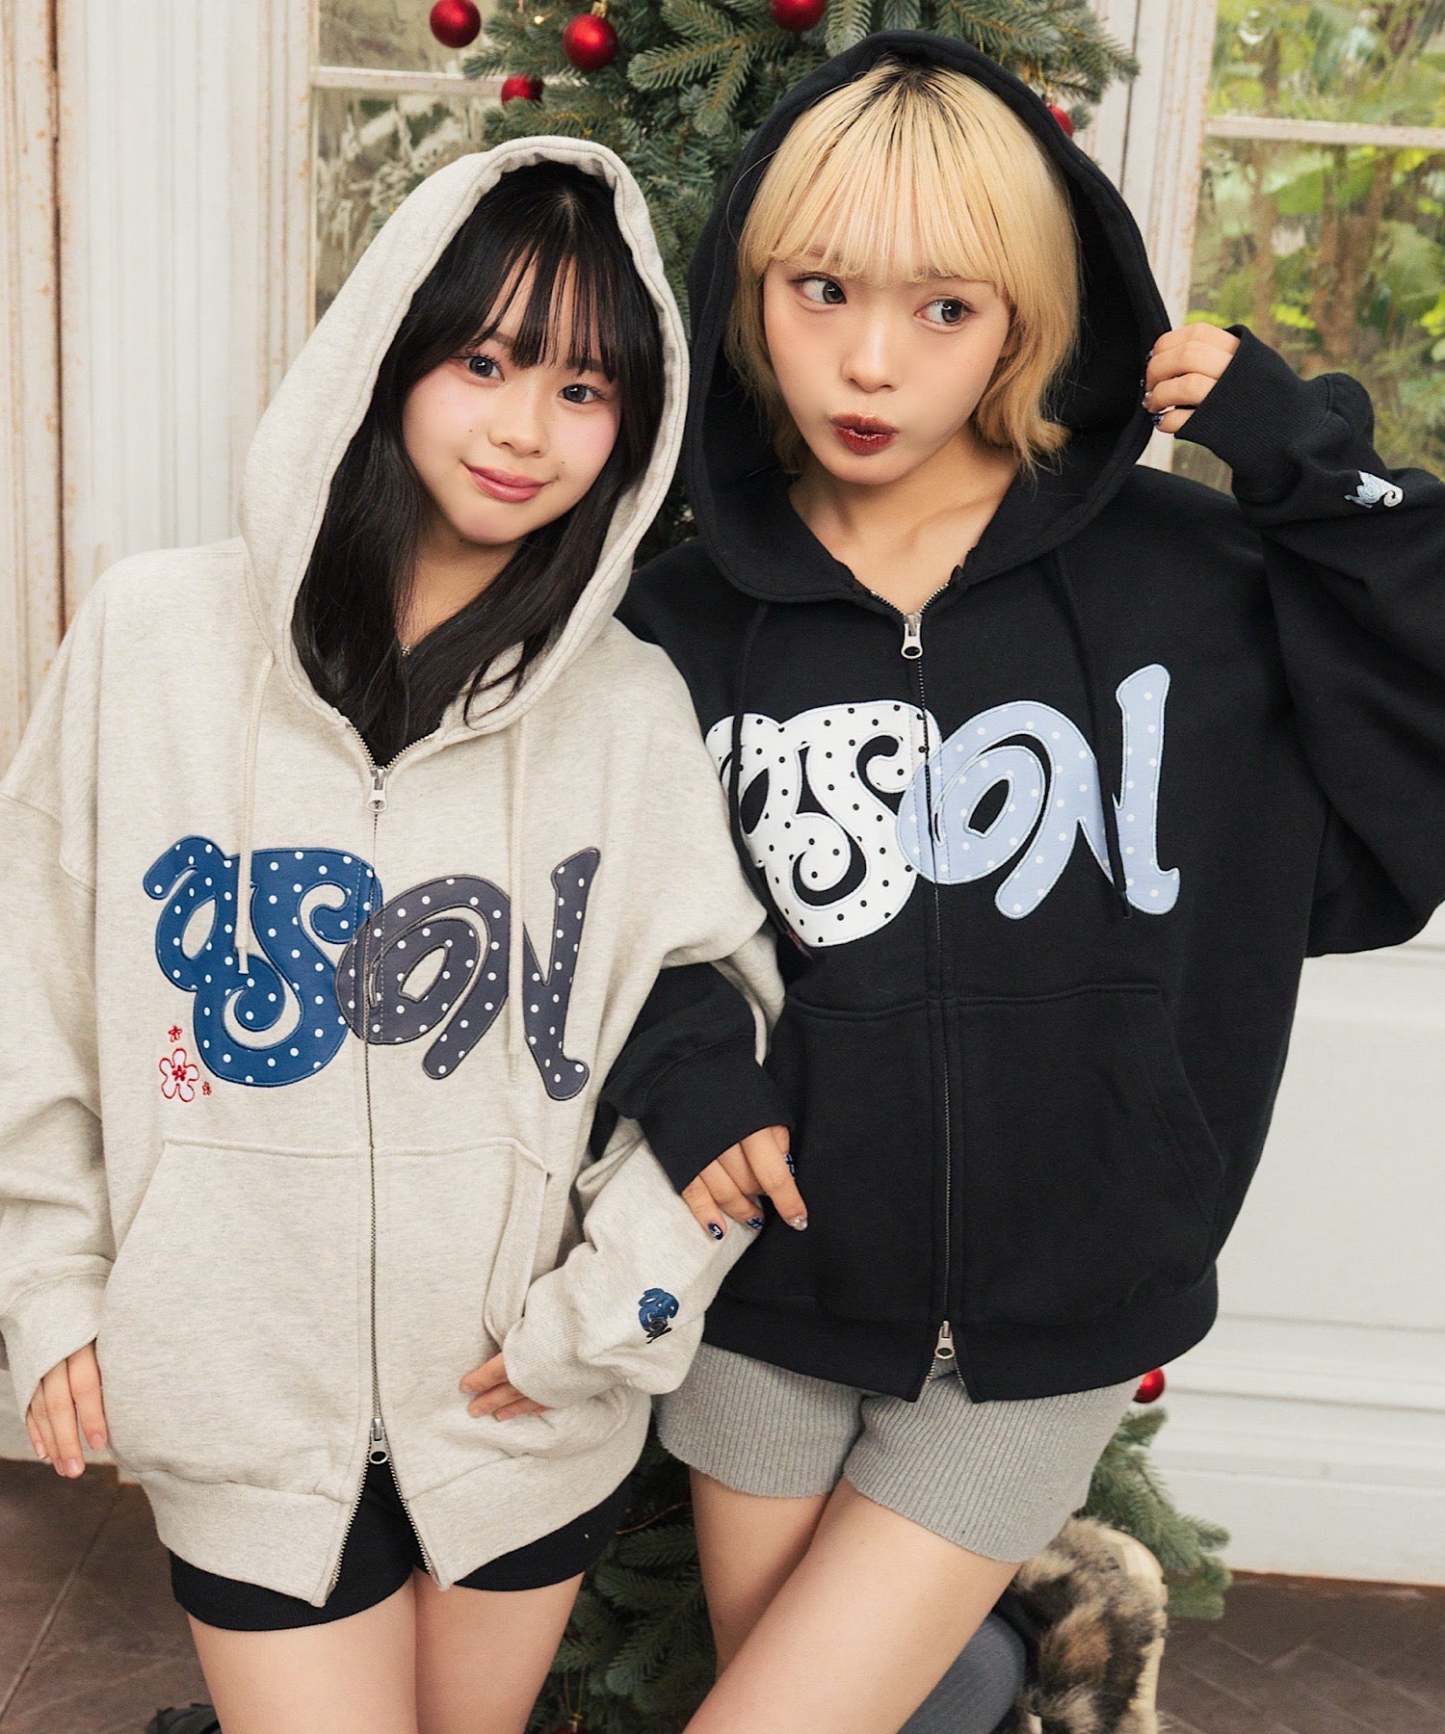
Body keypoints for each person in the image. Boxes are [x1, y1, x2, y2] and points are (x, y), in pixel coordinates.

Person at [618, 32, 1445, 1734]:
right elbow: (594, 908)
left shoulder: (1189, 584)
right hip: (759, 1297)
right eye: (819, 289)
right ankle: (996, 1679)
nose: (867, 360)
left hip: (1057, 1312)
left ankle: (986, 1672)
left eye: (944, 308)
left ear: (1026, 322)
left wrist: (1300, 461)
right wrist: (691, 1071)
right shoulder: (679, 621)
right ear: (748, 294)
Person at [0, 140, 803, 1734]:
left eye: (581, 388)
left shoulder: (624, 709)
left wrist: (608, 1317)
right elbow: (32, 989)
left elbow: (723, 1032)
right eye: (484, 362)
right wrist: (53, 1286)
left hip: (520, 1410)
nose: (522, 429)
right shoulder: (155, 641)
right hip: (234, 1401)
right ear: (389, 351)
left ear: (632, 423)